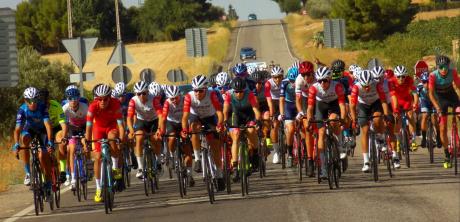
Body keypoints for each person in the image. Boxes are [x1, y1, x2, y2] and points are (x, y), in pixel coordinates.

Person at [181, 75, 226, 191]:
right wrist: (184, 130)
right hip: (195, 117)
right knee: (193, 127)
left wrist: (220, 125)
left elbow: (220, 113)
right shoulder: (189, 97)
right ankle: (197, 159)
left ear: (205, 89)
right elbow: (185, 117)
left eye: (200, 91)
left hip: (210, 117)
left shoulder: (211, 94)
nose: (197, 93)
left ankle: (220, 175)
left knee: (215, 146)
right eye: (195, 90)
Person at [12, 87, 54, 201]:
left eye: (35, 100)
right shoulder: (22, 110)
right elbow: (17, 130)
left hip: (42, 132)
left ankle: (48, 183)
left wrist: (50, 142)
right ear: (25, 101)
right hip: (29, 130)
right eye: (30, 101)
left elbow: (48, 126)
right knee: (24, 140)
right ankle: (28, 173)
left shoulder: (42, 107)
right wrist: (16, 144)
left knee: (43, 155)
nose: (33, 103)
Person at [85, 84, 125, 203]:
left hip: (112, 127)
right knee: (97, 158)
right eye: (99, 99)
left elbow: (121, 126)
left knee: (113, 138)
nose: (102, 101)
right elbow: (89, 128)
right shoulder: (92, 107)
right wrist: (87, 144)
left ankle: (115, 168)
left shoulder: (115, 104)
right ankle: (98, 188)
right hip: (98, 128)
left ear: (109, 98)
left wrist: (121, 140)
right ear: (96, 99)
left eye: (105, 99)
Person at [306, 67, 347, 179]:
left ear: (330, 79)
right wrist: (310, 121)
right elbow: (310, 108)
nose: (322, 83)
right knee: (321, 132)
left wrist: (342, 119)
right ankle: (323, 168)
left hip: (334, 104)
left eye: (325, 80)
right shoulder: (314, 88)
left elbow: (342, 105)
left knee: (334, 120)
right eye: (320, 81)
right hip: (321, 106)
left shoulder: (337, 86)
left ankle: (339, 145)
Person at [350, 70, 390, 172]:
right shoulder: (356, 87)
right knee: (365, 130)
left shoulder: (377, 85)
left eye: (369, 85)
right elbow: (353, 105)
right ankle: (366, 161)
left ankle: (380, 137)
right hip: (363, 105)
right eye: (365, 86)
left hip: (375, 103)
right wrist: (354, 120)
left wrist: (386, 115)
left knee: (377, 118)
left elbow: (384, 101)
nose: (367, 88)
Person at [223, 77, 261, 182]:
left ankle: (255, 153)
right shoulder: (229, 94)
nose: (239, 94)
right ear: (233, 90)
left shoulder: (250, 94)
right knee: (235, 135)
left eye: (241, 92)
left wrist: (258, 120)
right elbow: (225, 110)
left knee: (251, 131)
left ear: (244, 90)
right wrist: (225, 121)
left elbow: (256, 110)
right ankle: (235, 167)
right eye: (237, 92)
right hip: (236, 115)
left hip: (249, 115)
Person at [428, 55, 460, 168]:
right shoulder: (433, 76)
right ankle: (447, 154)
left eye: (445, 66)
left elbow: (458, 86)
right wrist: (437, 108)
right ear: (437, 66)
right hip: (440, 99)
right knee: (443, 128)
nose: (443, 69)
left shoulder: (453, 72)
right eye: (441, 67)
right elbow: (431, 94)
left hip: (451, 95)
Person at [127, 81, 163, 179]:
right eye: (139, 94)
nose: (142, 96)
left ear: (148, 92)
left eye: (144, 93)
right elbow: (129, 118)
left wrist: (159, 129)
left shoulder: (154, 99)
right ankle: (140, 168)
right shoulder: (133, 101)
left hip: (154, 121)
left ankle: (159, 161)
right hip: (141, 121)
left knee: (155, 140)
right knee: (138, 139)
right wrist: (131, 131)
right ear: (136, 94)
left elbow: (161, 116)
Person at [160, 85, 195, 186]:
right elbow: (163, 119)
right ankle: (171, 156)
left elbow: (190, 115)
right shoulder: (167, 103)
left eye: (176, 97)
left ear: (180, 95)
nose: (174, 100)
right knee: (171, 138)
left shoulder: (185, 100)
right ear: (168, 98)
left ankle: (189, 174)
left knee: (187, 151)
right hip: (172, 123)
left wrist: (187, 129)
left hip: (184, 123)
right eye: (172, 99)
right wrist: (162, 131)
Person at [388, 65, 419, 158]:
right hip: (396, 100)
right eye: (399, 76)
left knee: (410, 115)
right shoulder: (391, 81)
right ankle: (397, 140)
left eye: (403, 76)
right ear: (395, 76)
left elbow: (414, 93)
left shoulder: (409, 80)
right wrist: (396, 110)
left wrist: (415, 104)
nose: (401, 78)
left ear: (406, 76)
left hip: (406, 100)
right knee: (397, 119)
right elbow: (393, 96)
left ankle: (413, 139)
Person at [40, 89, 68, 185]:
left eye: (46, 100)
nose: (45, 103)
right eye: (42, 101)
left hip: (56, 128)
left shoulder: (56, 105)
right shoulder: (38, 107)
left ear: (48, 99)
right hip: (43, 130)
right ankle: (43, 176)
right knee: (41, 152)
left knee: (60, 140)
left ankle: (63, 171)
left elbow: (63, 124)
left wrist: (64, 137)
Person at [62, 88, 88, 191]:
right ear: (67, 99)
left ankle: (88, 162)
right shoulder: (65, 108)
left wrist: (87, 136)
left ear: (78, 98)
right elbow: (63, 124)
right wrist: (65, 136)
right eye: (70, 98)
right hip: (72, 129)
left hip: (84, 127)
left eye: (75, 98)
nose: (73, 100)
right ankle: (73, 177)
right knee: (71, 149)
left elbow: (91, 123)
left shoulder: (85, 107)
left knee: (86, 143)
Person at [295, 60, 316, 176]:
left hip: (317, 100)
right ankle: (310, 159)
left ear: (313, 73)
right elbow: (297, 100)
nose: (306, 77)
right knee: (307, 127)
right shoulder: (299, 80)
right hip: (304, 100)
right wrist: (301, 112)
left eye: (308, 74)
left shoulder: (318, 79)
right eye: (303, 75)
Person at [279, 67, 299, 167]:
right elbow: (281, 100)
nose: (293, 83)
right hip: (289, 105)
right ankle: (290, 153)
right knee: (291, 129)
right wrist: (282, 114)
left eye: (295, 81)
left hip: (300, 104)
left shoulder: (303, 81)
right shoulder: (284, 83)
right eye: (291, 81)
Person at [265, 66, 284, 164]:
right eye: (275, 77)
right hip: (272, 102)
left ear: (282, 76)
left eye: (279, 77)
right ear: (272, 77)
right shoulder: (268, 83)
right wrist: (272, 115)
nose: (277, 79)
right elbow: (269, 101)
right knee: (274, 125)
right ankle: (276, 152)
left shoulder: (285, 82)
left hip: (283, 101)